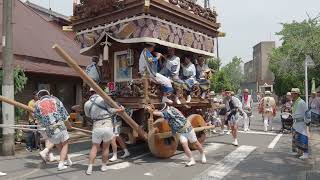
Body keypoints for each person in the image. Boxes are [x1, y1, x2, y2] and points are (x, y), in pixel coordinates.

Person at [84, 89, 125, 175]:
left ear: (90, 93)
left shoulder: (87, 103)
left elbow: (88, 115)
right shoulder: (103, 99)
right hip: (107, 125)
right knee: (106, 147)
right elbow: (111, 110)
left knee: (94, 147)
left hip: (96, 126)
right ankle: (103, 166)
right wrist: (120, 110)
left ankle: (90, 168)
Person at [34, 89, 73, 171]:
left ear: (39, 97)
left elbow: (38, 119)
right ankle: (61, 164)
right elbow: (64, 114)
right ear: (48, 94)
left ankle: (68, 161)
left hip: (50, 130)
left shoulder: (37, 105)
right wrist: (69, 125)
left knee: (59, 146)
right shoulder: (55, 100)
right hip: (60, 126)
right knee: (65, 144)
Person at [290, 88, 310, 159]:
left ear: (297, 94)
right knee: (296, 138)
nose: (291, 95)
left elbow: (307, 112)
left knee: (303, 137)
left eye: (293, 93)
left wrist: (308, 122)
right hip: (295, 123)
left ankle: (305, 153)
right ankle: (299, 152)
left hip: (301, 123)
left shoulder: (301, 102)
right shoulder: (295, 102)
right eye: (291, 93)